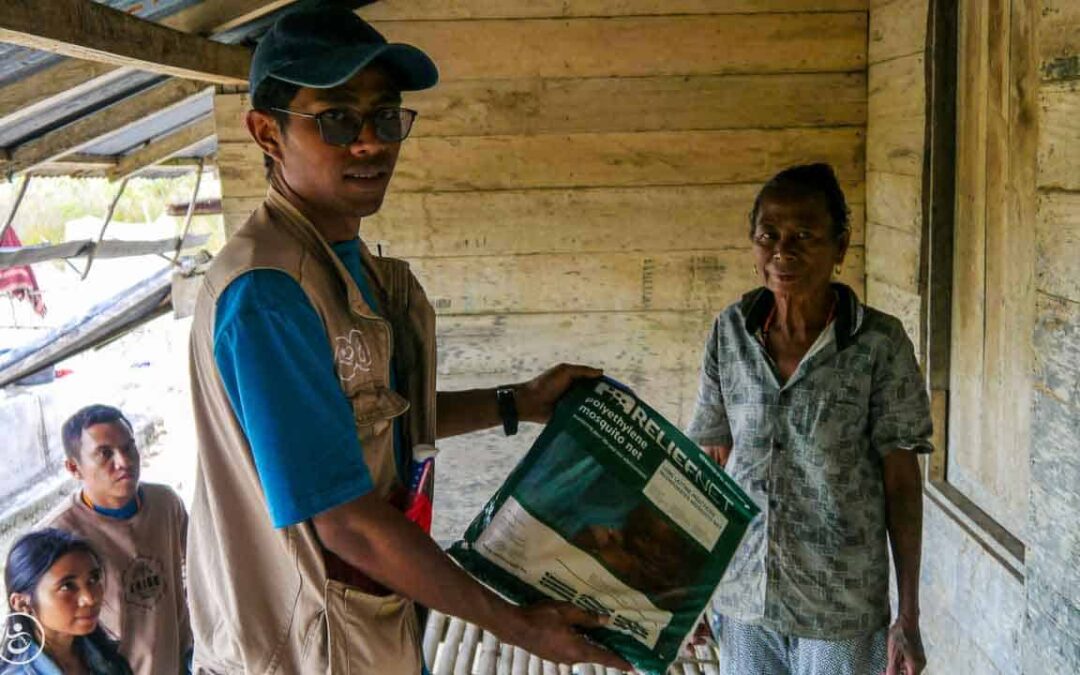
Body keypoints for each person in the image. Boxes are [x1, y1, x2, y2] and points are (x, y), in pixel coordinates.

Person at [185, 7, 629, 674]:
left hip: (359, 627)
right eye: (337, 119)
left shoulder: (342, 263)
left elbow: (368, 421)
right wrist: (518, 625)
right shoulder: (268, 294)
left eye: (386, 118)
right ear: (266, 132)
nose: (370, 142)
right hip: (303, 647)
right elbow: (347, 520)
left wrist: (520, 401)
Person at [686, 163, 931, 675]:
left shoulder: (878, 345)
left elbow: (902, 484)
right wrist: (691, 594)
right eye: (768, 235)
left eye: (804, 235)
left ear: (841, 246)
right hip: (746, 598)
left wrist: (907, 614)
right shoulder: (730, 333)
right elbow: (710, 465)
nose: (783, 251)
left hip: (839, 609)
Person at [39, 405, 191, 675]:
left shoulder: (164, 503)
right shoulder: (59, 534)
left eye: (129, 447)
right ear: (74, 468)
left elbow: (197, 568)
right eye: (105, 453)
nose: (124, 462)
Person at [2, 528, 133, 675]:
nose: (90, 598)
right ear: (23, 604)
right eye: (67, 586)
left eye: (93, 579)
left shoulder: (107, 657)